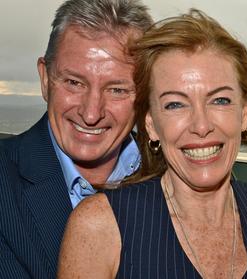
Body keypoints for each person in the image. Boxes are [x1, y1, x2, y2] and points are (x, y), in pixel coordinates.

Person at [58, 9, 247, 278]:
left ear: (244, 115)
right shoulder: (100, 227)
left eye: (220, 100)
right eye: (175, 104)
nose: (201, 126)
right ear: (151, 125)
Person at [0, 0, 152, 277]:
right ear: (45, 79)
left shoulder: (181, 182)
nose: (91, 113)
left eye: (117, 89)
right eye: (73, 82)